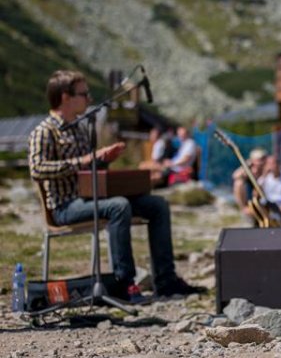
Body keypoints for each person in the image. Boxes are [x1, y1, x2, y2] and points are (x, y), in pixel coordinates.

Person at [28, 70, 204, 300]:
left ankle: (166, 281)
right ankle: (125, 283)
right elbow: (37, 169)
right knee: (118, 206)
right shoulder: (44, 131)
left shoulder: (80, 129)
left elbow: (89, 169)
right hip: (65, 206)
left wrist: (103, 160)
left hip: (91, 198)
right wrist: (82, 161)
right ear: (65, 97)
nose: (89, 99)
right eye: (84, 93)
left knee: (157, 204)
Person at [232, 148, 267, 224]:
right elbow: (235, 175)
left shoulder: (266, 169)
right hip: (251, 200)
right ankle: (244, 208)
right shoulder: (248, 171)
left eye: (263, 159)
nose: (262, 162)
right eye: (259, 159)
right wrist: (247, 165)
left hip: (265, 200)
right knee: (239, 183)